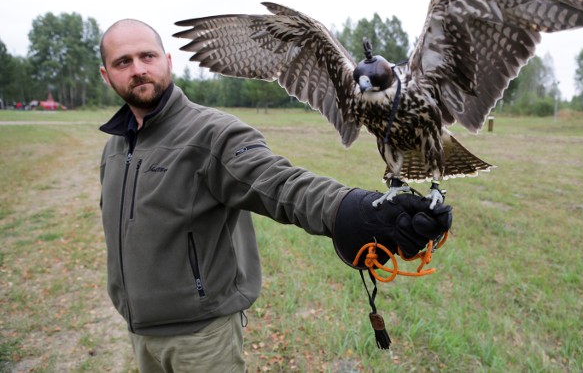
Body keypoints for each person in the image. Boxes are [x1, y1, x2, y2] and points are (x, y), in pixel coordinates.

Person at [98, 19, 452, 372]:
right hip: (140, 335)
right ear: (106, 74)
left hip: (200, 341)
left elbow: (280, 183)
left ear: (168, 61)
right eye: (123, 62)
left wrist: (348, 208)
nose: (139, 69)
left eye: (147, 56)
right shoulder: (115, 146)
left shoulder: (211, 134)